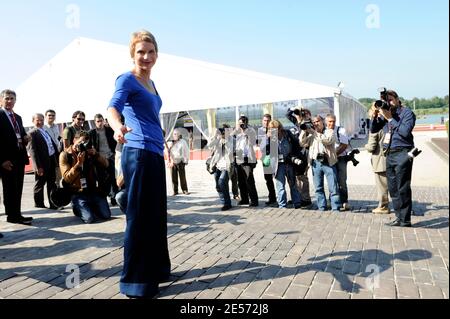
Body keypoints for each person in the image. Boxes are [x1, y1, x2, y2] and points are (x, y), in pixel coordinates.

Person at [107, 30, 171, 299]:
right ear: (132, 54)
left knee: (156, 216)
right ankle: (135, 282)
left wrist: (164, 145)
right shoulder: (127, 79)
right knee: (140, 218)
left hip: (154, 152)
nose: (146, 57)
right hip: (138, 152)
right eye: (140, 52)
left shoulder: (152, 84)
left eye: (150, 51)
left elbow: (152, 118)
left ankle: (157, 270)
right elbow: (112, 107)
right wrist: (117, 126)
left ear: (157, 53)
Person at [370, 89, 416, 227]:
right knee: (393, 188)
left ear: (397, 99)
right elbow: (373, 130)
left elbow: (404, 132)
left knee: (403, 187)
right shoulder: (387, 113)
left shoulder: (407, 113)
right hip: (389, 153)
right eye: (386, 101)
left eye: (390, 100)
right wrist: (376, 116)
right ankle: (398, 217)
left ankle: (406, 219)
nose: (388, 103)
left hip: (403, 152)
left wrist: (390, 118)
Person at [59, 131, 111, 224]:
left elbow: (106, 164)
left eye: (86, 143)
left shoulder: (89, 152)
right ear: (74, 140)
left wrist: (96, 154)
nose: (83, 145)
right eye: (81, 142)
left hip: (93, 190)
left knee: (106, 215)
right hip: (78, 192)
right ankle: (76, 207)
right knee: (89, 219)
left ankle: (91, 206)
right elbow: (67, 178)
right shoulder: (65, 155)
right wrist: (78, 164)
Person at [0, 89, 33, 225]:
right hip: (7, 159)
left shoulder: (17, 117)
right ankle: (12, 215)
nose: (9, 101)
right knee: (9, 188)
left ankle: (17, 213)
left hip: (19, 156)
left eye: (12, 98)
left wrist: (26, 138)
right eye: (7, 98)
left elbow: (21, 134)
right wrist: (2, 160)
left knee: (18, 188)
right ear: (1, 99)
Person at [299, 115, 341, 212]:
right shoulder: (311, 135)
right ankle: (321, 207)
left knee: (333, 187)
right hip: (315, 163)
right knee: (318, 188)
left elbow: (327, 141)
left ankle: (335, 208)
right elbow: (302, 143)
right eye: (313, 122)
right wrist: (304, 130)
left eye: (317, 121)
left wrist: (313, 132)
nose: (315, 124)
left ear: (323, 122)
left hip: (328, 163)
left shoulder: (330, 131)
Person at [265, 120, 302, 208]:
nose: (274, 131)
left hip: (289, 162)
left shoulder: (287, 134)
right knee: (280, 186)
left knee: (293, 185)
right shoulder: (270, 137)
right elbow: (266, 151)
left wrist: (294, 157)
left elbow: (297, 145)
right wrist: (267, 139)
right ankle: (282, 205)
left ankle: (297, 203)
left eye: (275, 129)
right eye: (271, 129)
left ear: (280, 128)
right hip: (278, 164)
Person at [27, 113, 59, 209]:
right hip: (41, 163)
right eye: (37, 120)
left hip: (51, 161)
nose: (40, 122)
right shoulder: (32, 133)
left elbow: (51, 145)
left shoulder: (44, 131)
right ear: (33, 121)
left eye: (41, 120)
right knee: (40, 184)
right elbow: (33, 152)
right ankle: (39, 204)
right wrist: (38, 167)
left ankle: (53, 203)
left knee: (52, 183)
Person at [89, 113, 119, 206]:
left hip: (110, 156)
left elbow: (115, 142)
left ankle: (114, 198)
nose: (100, 123)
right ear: (95, 122)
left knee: (113, 177)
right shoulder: (92, 133)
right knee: (101, 179)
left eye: (101, 121)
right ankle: (103, 198)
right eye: (98, 121)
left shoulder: (109, 130)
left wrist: (115, 153)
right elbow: (90, 146)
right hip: (99, 158)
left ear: (103, 120)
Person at [326, 114, 351, 211]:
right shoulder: (324, 131)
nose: (331, 123)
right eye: (330, 121)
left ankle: (344, 201)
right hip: (329, 159)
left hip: (341, 158)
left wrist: (334, 155)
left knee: (342, 181)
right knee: (332, 180)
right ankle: (332, 200)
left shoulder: (341, 130)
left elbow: (344, 145)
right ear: (326, 122)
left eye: (333, 121)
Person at [232, 115, 259, 207]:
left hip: (248, 159)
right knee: (240, 181)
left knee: (249, 180)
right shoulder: (236, 131)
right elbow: (230, 140)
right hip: (238, 158)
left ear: (247, 123)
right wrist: (236, 130)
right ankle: (244, 199)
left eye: (243, 123)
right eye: (239, 123)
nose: (241, 125)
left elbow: (253, 142)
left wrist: (245, 132)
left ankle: (254, 200)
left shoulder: (251, 131)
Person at [289, 106, 313, 208]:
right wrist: (296, 109)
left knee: (303, 177)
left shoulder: (309, 124)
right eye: (302, 113)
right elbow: (288, 114)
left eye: (304, 113)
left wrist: (304, 119)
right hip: (296, 153)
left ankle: (306, 198)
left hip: (305, 153)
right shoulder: (296, 123)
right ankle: (299, 197)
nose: (302, 115)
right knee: (297, 177)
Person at [364, 122, 390, 214]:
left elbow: (371, 147)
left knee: (382, 187)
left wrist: (365, 146)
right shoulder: (389, 125)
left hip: (379, 161)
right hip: (390, 159)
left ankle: (383, 206)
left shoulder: (375, 129)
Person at [207, 125, 234, 211]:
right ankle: (223, 202)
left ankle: (227, 203)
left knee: (222, 182)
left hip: (226, 166)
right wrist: (215, 136)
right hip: (217, 165)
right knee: (218, 186)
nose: (223, 133)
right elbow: (209, 146)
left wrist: (224, 140)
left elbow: (230, 151)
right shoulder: (217, 140)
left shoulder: (231, 139)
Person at [258, 114, 277, 206]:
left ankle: (282, 197)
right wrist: (266, 137)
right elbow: (261, 146)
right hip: (266, 157)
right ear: (262, 121)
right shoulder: (260, 131)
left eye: (268, 120)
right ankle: (272, 198)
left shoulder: (274, 129)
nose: (266, 122)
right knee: (268, 178)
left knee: (279, 177)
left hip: (275, 156)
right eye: (264, 120)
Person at [167, 129, 190, 196]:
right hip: (173, 161)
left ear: (179, 135)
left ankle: (185, 190)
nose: (175, 135)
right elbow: (167, 151)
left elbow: (186, 151)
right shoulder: (170, 142)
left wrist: (186, 160)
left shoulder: (183, 142)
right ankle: (175, 191)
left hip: (181, 161)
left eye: (177, 134)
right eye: (174, 134)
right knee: (173, 177)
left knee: (182, 177)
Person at [44, 109, 63, 186]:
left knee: (59, 173)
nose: (51, 117)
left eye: (53, 115)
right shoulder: (43, 128)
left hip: (58, 152)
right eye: (49, 115)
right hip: (49, 154)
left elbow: (57, 138)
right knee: (51, 176)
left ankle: (57, 188)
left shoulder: (56, 126)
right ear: (45, 117)